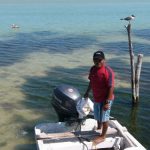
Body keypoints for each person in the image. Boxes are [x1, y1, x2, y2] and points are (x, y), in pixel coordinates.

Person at [84, 50, 115, 145]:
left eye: (99, 60)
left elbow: (111, 87)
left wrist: (107, 102)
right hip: (96, 98)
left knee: (104, 118)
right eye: (95, 60)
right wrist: (87, 92)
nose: (97, 62)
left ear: (104, 60)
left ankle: (103, 136)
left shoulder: (108, 71)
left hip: (105, 99)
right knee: (97, 115)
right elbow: (91, 81)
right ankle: (98, 128)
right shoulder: (93, 69)